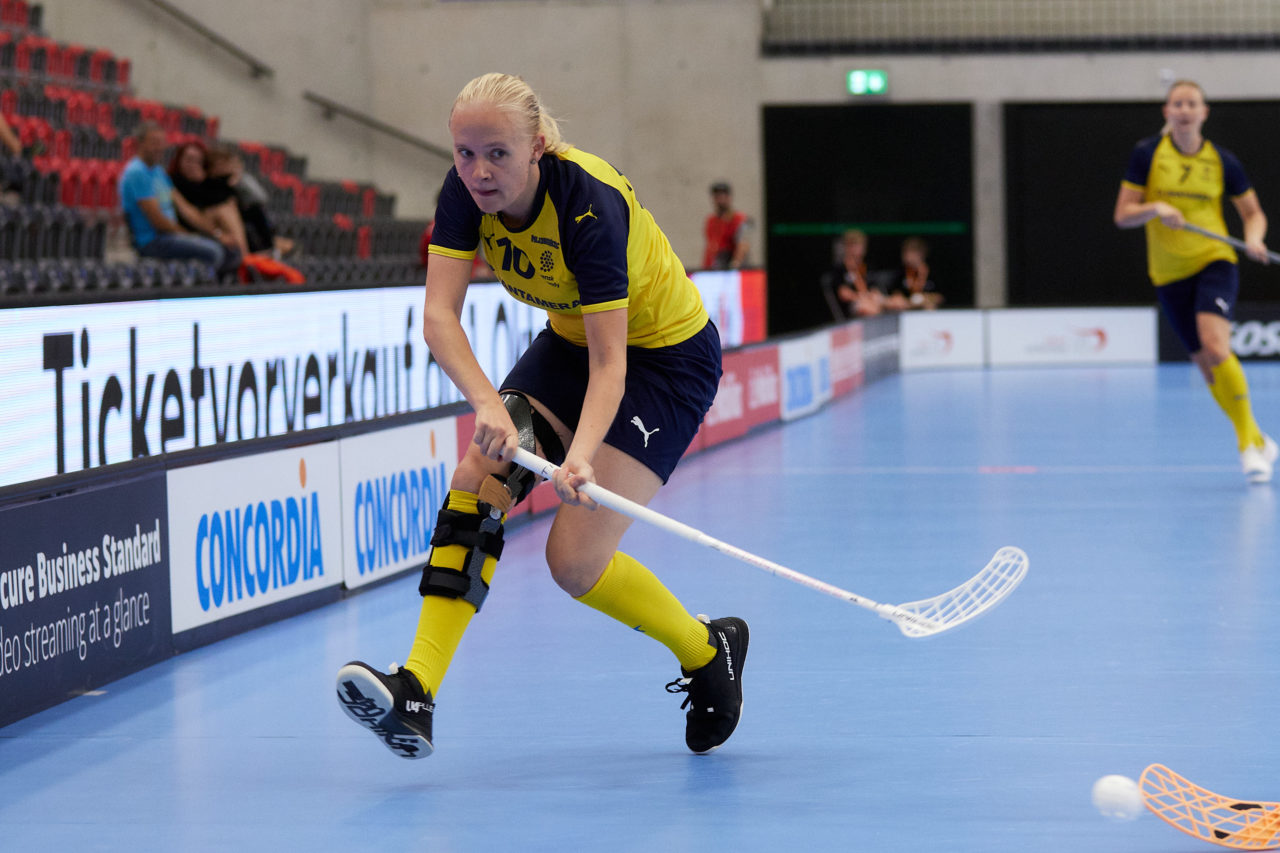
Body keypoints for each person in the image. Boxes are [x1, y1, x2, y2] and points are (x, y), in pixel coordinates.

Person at [336, 73, 748, 759]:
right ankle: (416, 691)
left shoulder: (588, 205)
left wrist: (581, 454)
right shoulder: (464, 194)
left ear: (539, 147)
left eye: (496, 153)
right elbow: (439, 318)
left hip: (664, 362)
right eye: (465, 153)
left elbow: (613, 365)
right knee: (481, 472)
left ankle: (709, 650)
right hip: (569, 344)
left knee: (573, 561)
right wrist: (488, 403)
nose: (478, 171)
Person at [1113, 79, 1277, 484]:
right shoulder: (1148, 154)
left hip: (1214, 260)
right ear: (1166, 112)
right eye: (1177, 103)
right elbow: (1123, 215)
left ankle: (1247, 446)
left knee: (1216, 344)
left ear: (1204, 112)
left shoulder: (1223, 161)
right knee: (1207, 369)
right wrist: (1155, 207)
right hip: (1168, 274)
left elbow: (1252, 212)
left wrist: (1253, 238)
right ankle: (1259, 436)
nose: (1184, 110)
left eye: (1192, 103)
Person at [118, 123, 240, 277]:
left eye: (162, 143)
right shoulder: (137, 173)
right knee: (214, 252)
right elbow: (158, 221)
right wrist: (189, 236)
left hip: (170, 236)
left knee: (231, 251)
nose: (160, 147)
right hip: (153, 241)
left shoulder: (158, 172)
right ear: (140, 143)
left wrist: (217, 234)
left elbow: (186, 209)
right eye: (154, 142)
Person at [205, 144, 296, 257]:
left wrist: (239, 178)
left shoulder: (232, 180)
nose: (223, 166)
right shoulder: (209, 184)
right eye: (219, 163)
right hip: (223, 222)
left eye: (225, 162)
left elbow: (260, 197)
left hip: (241, 216)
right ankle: (257, 253)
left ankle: (270, 246)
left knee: (256, 211)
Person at [167, 139, 250, 257]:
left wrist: (234, 176)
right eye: (189, 160)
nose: (193, 166)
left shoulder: (202, 184)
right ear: (179, 161)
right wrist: (219, 235)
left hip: (206, 227)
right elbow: (191, 215)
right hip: (186, 228)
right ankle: (244, 257)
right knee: (223, 210)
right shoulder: (175, 182)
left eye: (198, 162)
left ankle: (245, 255)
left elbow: (226, 196)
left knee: (229, 207)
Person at [819, 229, 885, 319]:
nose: (857, 248)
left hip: (870, 300)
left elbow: (875, 287)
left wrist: (873, 295)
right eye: (853, 245)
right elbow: (843, 293)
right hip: (852, 306)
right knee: (867, 307)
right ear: (846, 247)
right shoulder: (839, 268)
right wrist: (859, 297)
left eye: (859, 245)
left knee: (891, 301)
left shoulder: (868, 266)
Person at [883, 236, 943, 311]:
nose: (906, 256)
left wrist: (924, 299)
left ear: (921, 254)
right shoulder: (900, 273)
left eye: (911, 252)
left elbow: (940, 297)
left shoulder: (933, 273)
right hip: (906, 312)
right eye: (905, 252)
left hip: (928, 313)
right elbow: (894, 295)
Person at [702, 180, 752, 270]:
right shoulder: (711, 221)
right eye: (717, 196)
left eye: (723, 196)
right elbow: (710, 247)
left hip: (729, 267)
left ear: (729, 197)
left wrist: (735, 265)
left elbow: (743, 246)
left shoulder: (740, 219)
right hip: (714, 268)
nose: (720, 200)